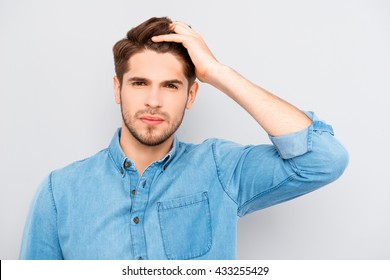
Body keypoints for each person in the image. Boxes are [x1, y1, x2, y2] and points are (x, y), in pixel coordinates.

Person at [19, 17, 348, 260]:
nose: (153, 100)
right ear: (117, 89)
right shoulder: (59, 191)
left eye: (170, 86)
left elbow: (323, 159)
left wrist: (217, 72)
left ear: (191, 95)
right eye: (139, 83)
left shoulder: (221, 169)